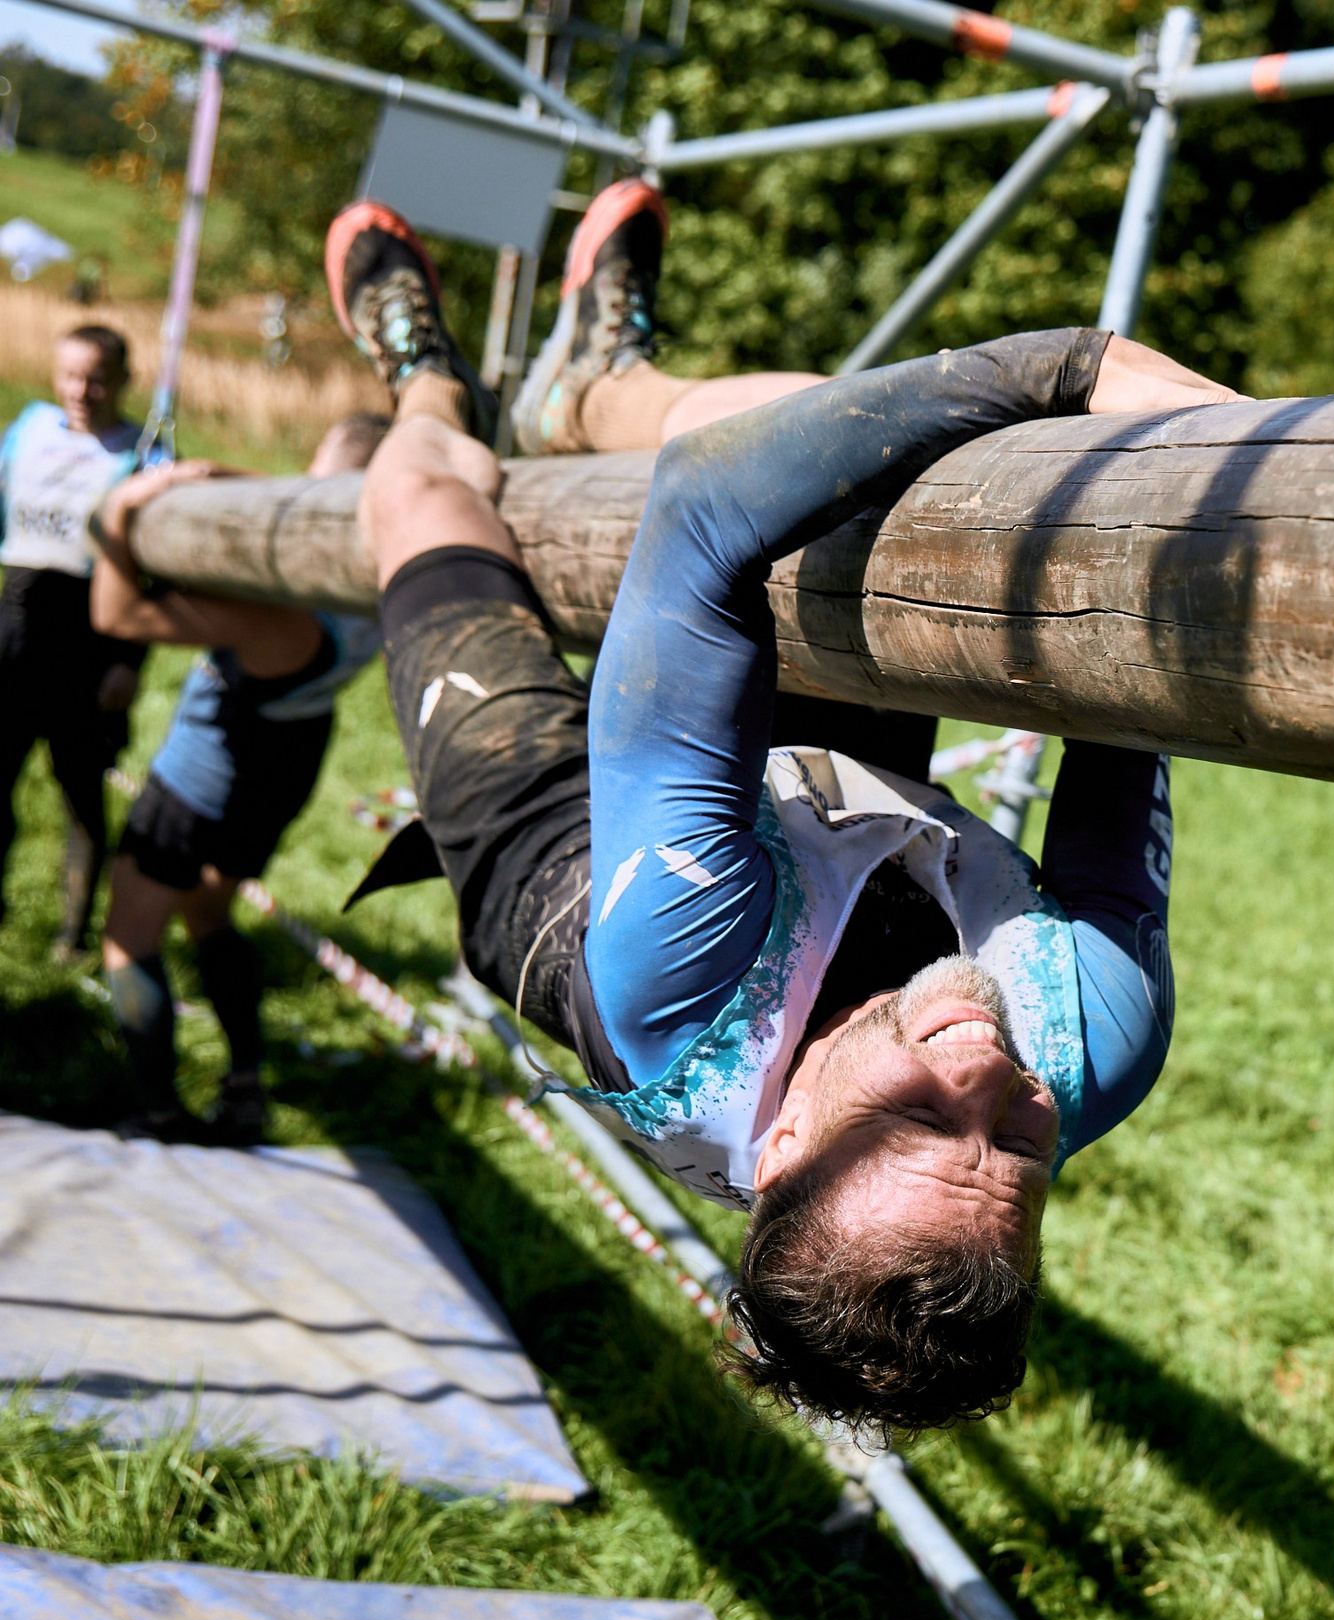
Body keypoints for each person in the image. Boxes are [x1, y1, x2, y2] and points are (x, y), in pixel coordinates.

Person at [306, 187, 1228, 1435]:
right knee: (832, 437)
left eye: (917, 1111)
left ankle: (427, 376)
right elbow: (1124, 687)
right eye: (1016, 1144)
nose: (985, 1068)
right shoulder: (1087, 1050)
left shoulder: (674, 975)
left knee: (425, 501)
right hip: (836, 828)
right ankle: (594, 386)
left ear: (785, 1139)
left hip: (564, 874)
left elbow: (698, 517)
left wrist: (1067, 369)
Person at [87, 414, 392, 1143]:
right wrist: (218, 473)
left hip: (206, 772)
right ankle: (246, 1081)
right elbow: (317, 500)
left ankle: (157, 1109)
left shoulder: (282, 610)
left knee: (129, 938)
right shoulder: (387, 559)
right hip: (289, 760)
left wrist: (120, 510)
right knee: (210, 914)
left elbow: (116, 610)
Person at [0, 325, 154, 960]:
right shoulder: (28, 431)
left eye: (95, 378)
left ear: (123, 381)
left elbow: (153, 569)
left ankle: (76, 931)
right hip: (13, 631)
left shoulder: (142, 455)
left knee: (82, 793)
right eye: (69, 376)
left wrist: (127, 660)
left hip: (87, 644)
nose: (80, 391)